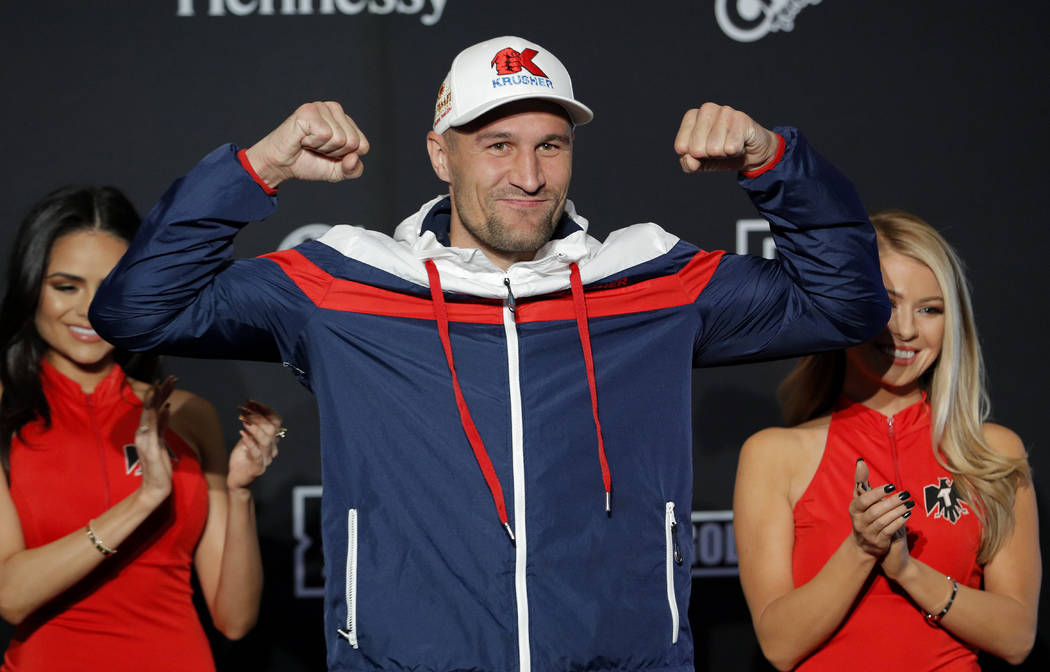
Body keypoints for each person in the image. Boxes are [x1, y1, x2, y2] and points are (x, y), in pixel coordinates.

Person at [89, 35, 890, 672]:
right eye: (497, 144)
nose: (530, 175)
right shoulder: (344, 281)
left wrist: (772, 163)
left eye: (550, 145)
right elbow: (137, 311)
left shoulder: (647, 277)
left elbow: (846, 304)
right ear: (442, 155)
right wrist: (258, 167)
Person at [733, 210, 1039, 670]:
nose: (907, 330)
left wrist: (908, 571)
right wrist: (861, 549)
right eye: (886, 304)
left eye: (930, 309)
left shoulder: (994, 452)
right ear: (846, 304)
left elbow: (1016, 636)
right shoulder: (774, 455)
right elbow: (779, 644)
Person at [0, 186, 283, 671]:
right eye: (66, 286)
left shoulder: (189, 415)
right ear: (32, 288)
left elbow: (234, 620)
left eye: (109, 286)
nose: (90, 310)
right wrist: (144, 500)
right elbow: (11, 595)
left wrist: (237, 493)